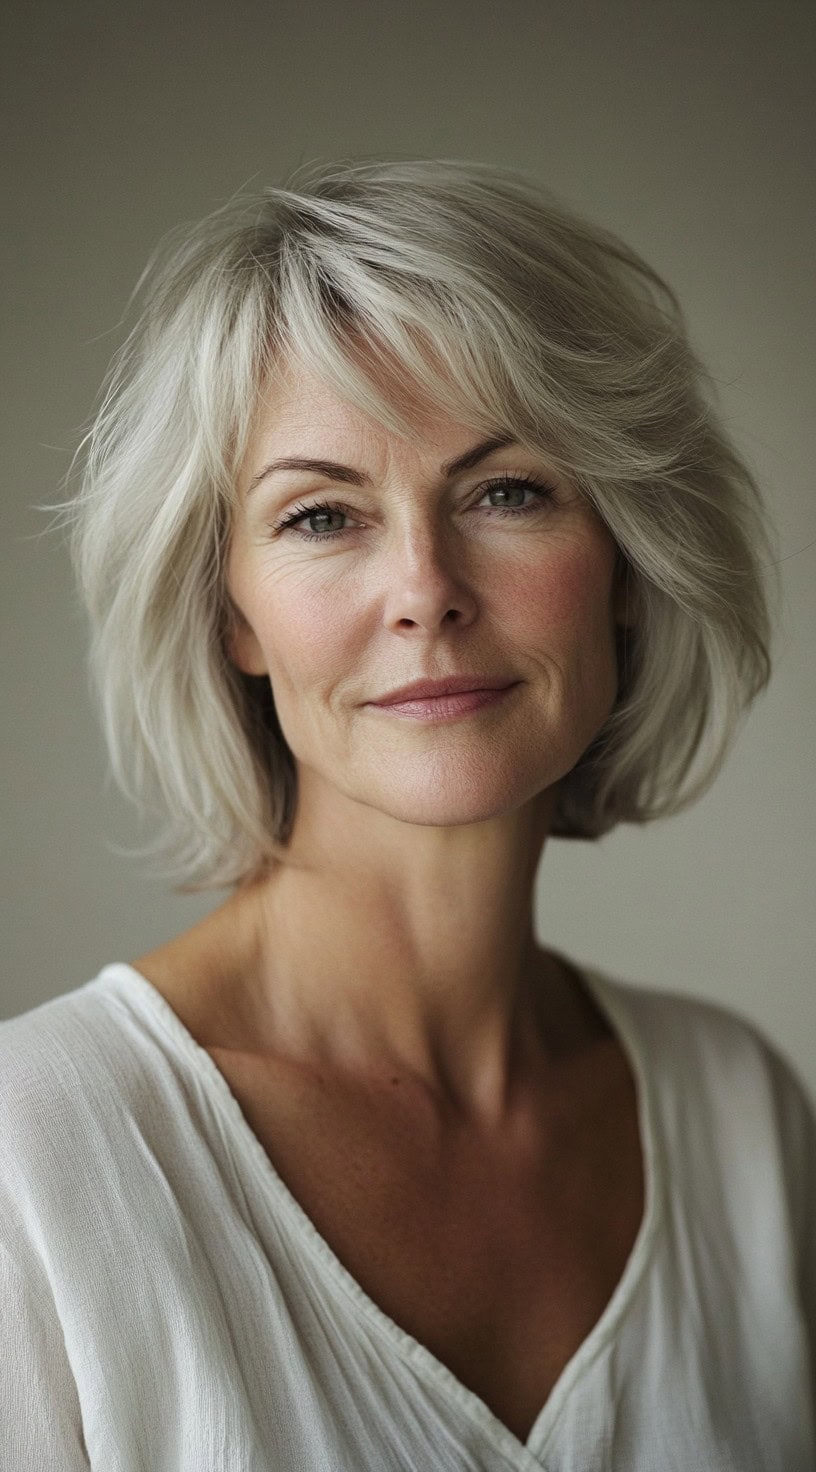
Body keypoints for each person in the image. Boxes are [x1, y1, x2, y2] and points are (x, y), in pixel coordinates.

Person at [1, 156, 813, 1471]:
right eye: (323, 515)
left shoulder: (743, 1121)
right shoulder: (33, 1153)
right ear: (232, 615)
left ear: (625, 560)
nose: (426, 589)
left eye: (507, 492)